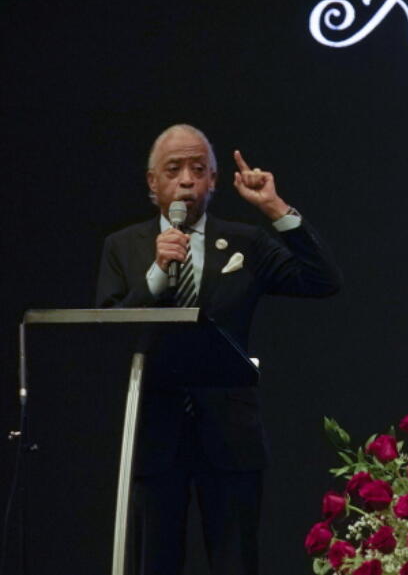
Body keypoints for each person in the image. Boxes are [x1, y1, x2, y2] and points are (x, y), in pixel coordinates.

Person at [96, 123, 342, 575]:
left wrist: (275, 208)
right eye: (174, 170)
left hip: (230, 433)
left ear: (212, 180)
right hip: (155, 431)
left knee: (235, 563)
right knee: (155, 562)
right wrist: (155, 274)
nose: (186, 180)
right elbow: (108, 331)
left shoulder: (246, 241)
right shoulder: (123, 246)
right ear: (153, 182)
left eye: (198, 169)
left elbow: (322, 281)